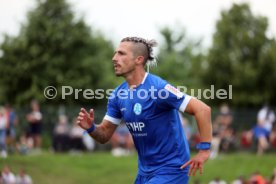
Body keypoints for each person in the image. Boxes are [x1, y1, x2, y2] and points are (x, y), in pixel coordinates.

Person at [77, 37, 212, 184]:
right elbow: (104, 135)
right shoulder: (117, 95)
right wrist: (91, 128)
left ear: (139, 60)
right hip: (144, 173)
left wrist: (204, 150)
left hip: (172, 169)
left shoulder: (158, 88)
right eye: (115, 53)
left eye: (121, 54)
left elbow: (203, 109)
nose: (114, 58)